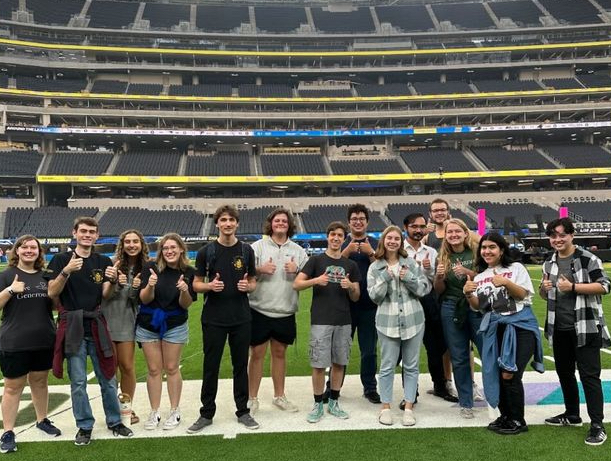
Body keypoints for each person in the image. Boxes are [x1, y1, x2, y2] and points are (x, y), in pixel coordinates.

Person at [46, 217, 133, 446]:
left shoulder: (102, 260)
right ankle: (84, 426)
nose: (87, 235)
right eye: (83, 231)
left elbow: (105, 294)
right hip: (73, 325)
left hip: (96, 324)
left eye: (91, 232)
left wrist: (114, 281)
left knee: (108, 377)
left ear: (97, 235)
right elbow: (52, 292)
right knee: (78, 382)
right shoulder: (60, 259)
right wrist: (66, 271)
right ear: (74, 233)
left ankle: (115, 421)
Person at [463, 232, 543, 435]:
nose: (487, 251)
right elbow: (480, 307)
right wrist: (468, 293)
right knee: (499, 374)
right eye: (484, 248)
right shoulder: (480, 276)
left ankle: (518, 420)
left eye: (492, 247)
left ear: (501, 250)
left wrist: (506, 283)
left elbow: (523, 294)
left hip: (520, 326)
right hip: (495, 327)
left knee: (510, 372)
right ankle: (505, 416)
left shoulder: (515, 268)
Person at [188, 205, 259, 433]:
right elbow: (196, 284)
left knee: (240, 366)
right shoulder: (206, 252)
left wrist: (248, 286)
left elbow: (254, 281)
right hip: (213, 318)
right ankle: (206, 413)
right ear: (217, 223)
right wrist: (209, 285)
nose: (227, 224)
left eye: (231, 220)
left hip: (241, 317)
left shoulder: (246, 251)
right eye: (223, 220)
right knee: (211, 367)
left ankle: (243, 411)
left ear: (237, 224)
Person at [539, 217, 609, 446]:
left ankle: (597, 424)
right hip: (559, 327)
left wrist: (574, 287)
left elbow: (604, 286)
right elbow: (544, 294)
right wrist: (543, 288)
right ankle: (572, 414)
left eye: (562, 235)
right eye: (553, 236)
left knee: (589, 376)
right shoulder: (549, 261)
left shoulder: (588, 258)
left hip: (585, 326)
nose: (557, 239)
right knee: (565, 373)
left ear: (571, 235)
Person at [294, 221, 360, 423]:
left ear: (344, 238)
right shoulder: (316, 260)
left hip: (343, 320)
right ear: (327, 236)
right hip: (321, 320)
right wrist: (316, 281)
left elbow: (356, 296)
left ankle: (334, 400)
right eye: (333, 234)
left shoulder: (351, 265)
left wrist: (350, 286)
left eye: (340, 235)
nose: (336, 238)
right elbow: (296, 284)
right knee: (319, 364)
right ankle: (317, 403)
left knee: (339, 362)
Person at [0, 235, 60, 454]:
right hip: (14, 341)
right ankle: (7, 431)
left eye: (33, 247)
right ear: (16, 251)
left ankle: (42, 419)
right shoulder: (7, 275)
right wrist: (9, 290)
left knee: (40, 383)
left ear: (39, 252)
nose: (28, 250)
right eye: (24, 247)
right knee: (13, 387)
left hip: (43, 339)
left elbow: (54, 306)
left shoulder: (47, 276)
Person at [247, 208, 308, 414]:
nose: (280, 223)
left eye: (284, 221)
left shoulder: (299, 251)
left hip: (285, 310)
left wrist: (297, 271)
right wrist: (260, 270)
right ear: (270, 224)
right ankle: (252, 398)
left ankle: (279, 396)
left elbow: (307, 279)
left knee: (280, 353)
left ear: (289, 225)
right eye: (277, 220)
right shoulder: (257, 247)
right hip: (259, 308)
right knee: (256, 354)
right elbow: (244, 273)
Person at [367, 226, 429, 426]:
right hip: (387, 322)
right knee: (386, 367)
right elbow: (374, 297)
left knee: (411, 367)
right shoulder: (375, 267)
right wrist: (385, 277)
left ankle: (409, 407)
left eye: (396, 238)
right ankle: (385, 407)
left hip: (413, 320)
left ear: (401, 242)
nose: (392, 241)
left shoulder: (410, 263)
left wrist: (408, 277)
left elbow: (422, 289)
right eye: (389, 238)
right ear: (383, 240)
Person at [424, 198, 483, 401]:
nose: (439, 213)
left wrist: (469, 273)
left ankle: (472, 383)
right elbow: (437, 284)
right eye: (435, 210)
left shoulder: (471, 241)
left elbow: (485, 267)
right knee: (448, 346)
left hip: (471, 301)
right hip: (444, 301)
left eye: (442, 209)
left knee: (468, 348)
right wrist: (437, 276)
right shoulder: (429, 237)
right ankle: (448, 382)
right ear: (430, 213)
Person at [138, 233, 196, 431]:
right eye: (165, 248)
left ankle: (174, 410)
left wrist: (184, 290)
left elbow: (185, 304)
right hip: (148, 324)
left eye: (173, 247)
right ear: (161, 250)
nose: (169, 251)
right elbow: (144, 299)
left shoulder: (189, 271)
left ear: (181, 249)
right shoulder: (150, 267)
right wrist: (150, 285)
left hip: (175, 324)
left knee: (172, 367)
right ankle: (154, 411)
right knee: (154, 369)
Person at [403, 212, 457, 402]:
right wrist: (416, 266)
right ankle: (411, 393)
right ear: (406, 228)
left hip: (429, 300)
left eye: (421, 227)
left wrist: (430, 271)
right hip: (407, 302)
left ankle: (440, 386)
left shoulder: (431, 252)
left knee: (436, 347)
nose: (418, 230)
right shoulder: (399, 249)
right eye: (413, 226)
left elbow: (437, 282)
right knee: (408, 348)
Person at [433, 218, 482, 419]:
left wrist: (468, 272)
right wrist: (438, 277)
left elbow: (486, 277)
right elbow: (439, 290)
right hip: (451, 306)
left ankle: (498, 397)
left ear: (465, 232)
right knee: (459, 356)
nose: (453, 235)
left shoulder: (477, 252)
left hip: (477, 304)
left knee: (487, 351)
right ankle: (466, 402)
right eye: (449, 232)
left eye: (456, 231)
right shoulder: (443, 256)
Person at [101, 229, 149, 425]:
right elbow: (105, 294)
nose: (131, 245)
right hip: (106, 319)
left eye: (135, 241)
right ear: (122, 244)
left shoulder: (146, 267)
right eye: (127, 241)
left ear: (141, 244)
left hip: (128, 320)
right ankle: (113, 410)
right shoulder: (109, 263)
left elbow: (140, 299)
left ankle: (126, 408)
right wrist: (115, 281)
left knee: (127, 367)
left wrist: (134, 287)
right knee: (110, 369)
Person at [337, 204, 380, 404]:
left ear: (367, 221)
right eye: (354, 218)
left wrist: (371, 253)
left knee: (369, 350)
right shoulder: (340, 243)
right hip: (344, 305)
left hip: (370, 305)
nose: (358, 221)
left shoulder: (377, 243)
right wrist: (345, 252)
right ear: (349, 222)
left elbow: (384, 271)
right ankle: (334, 386)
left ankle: (370, 388)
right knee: (341, 348)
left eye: (361, 218)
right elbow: (331, 269)